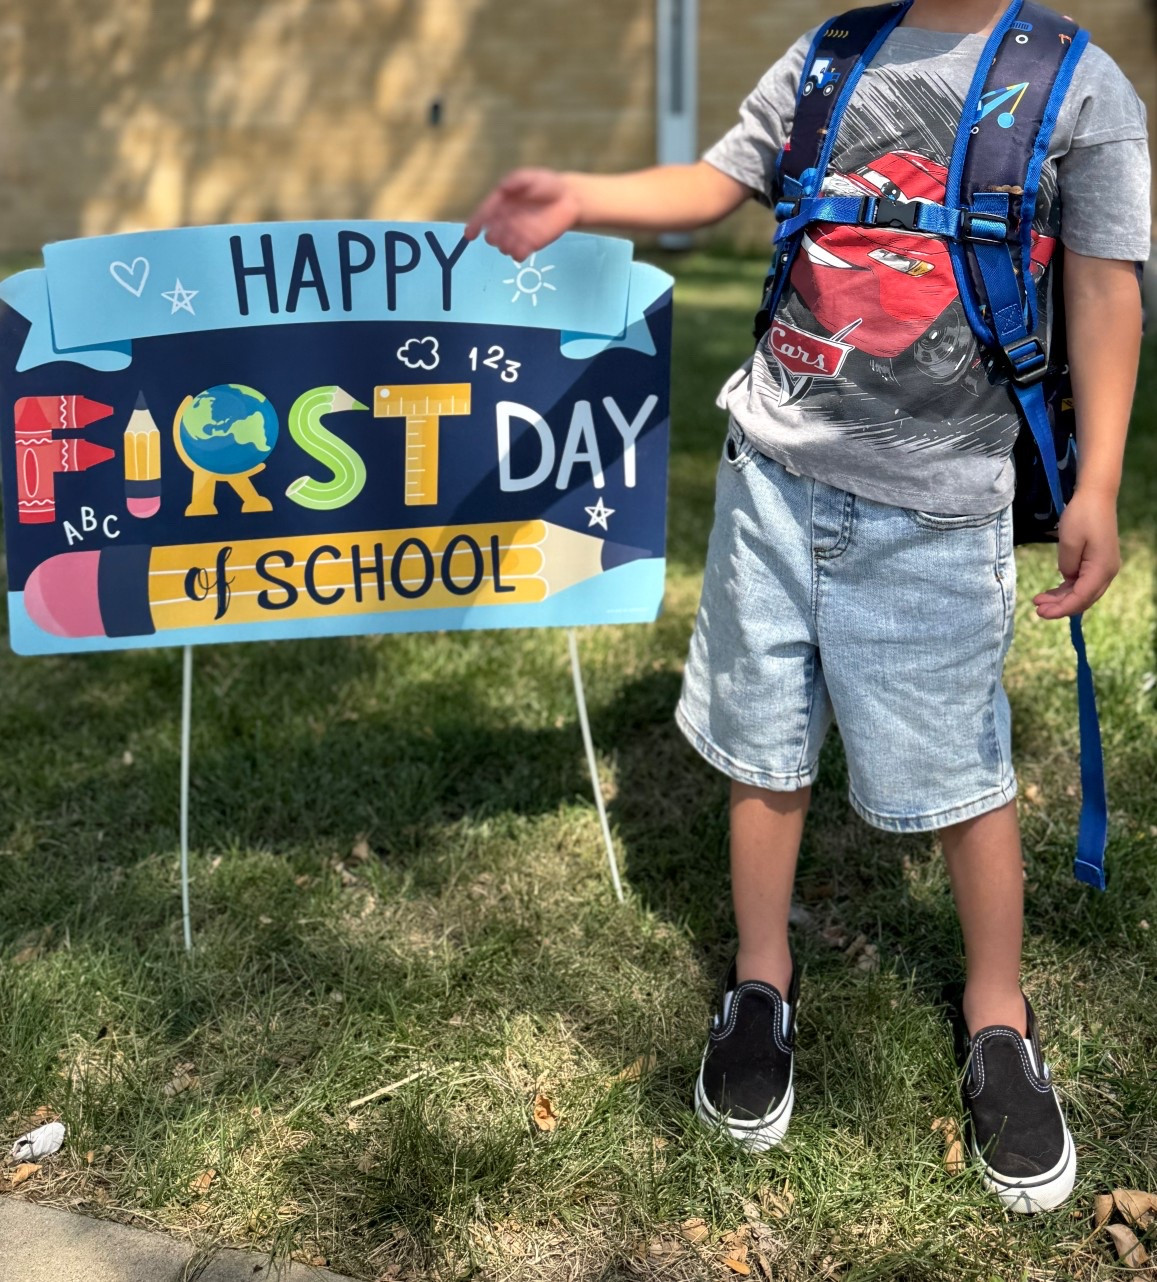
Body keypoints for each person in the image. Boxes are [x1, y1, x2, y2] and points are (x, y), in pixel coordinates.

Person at [464, 0, 1149, 1213]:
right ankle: (760, 982)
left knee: (960, 770)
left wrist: (1094, 479)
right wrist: (579, 193)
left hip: (938, 511)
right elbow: (717, 180)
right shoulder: (830, 52)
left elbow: (1102, 290)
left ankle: (997, 1013)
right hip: (769, 479)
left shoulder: (1077, 85)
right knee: (761, 743)